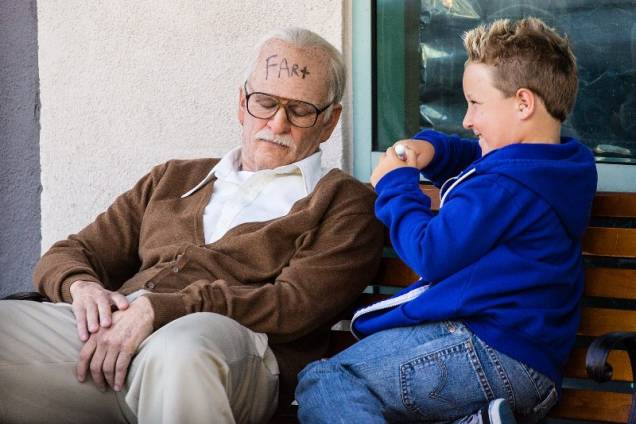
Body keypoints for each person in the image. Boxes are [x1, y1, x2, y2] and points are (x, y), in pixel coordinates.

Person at [0, 27, 384, 424]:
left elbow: (292, 306)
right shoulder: (173, 178)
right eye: (265, 103)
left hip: (231, 350)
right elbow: (71, 253)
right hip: (119, 334)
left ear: (330, 121)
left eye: (300, 110)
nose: (277, 123)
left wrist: (160, 309)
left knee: (183, 351)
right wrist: (81, 288)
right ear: (241, 103)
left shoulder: (344, 204)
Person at [295, 17, 597, 423]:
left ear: (523, 103)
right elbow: (476, 159)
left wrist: (396, 183)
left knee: (327, 379)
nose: (468, 120)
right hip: (532, 370)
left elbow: (428, 251)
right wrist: (426, 148)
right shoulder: (556, 168)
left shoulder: (502, 188)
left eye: (476, 103)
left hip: (487, 351)